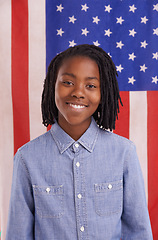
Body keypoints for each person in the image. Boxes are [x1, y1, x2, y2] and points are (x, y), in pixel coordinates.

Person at [6, 44, 153, 239]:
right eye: (68, 82)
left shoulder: (124, 153)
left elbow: (138, 232)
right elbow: (18, 234)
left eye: (90, 85)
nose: (78, 92)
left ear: (103, 93)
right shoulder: (27, 158)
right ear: (52, 85)